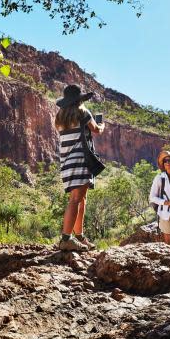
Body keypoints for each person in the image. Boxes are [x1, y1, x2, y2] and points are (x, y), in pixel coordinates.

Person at [55, 84, 105, 251]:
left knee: (81, 199)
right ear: (79, 100)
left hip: (67, 162)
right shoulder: (83, 112)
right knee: (76, 200)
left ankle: (79, 236)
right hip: (81, 160)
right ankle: (66, 239)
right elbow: (96, 130)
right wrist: (102, 124)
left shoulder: (60, 117)